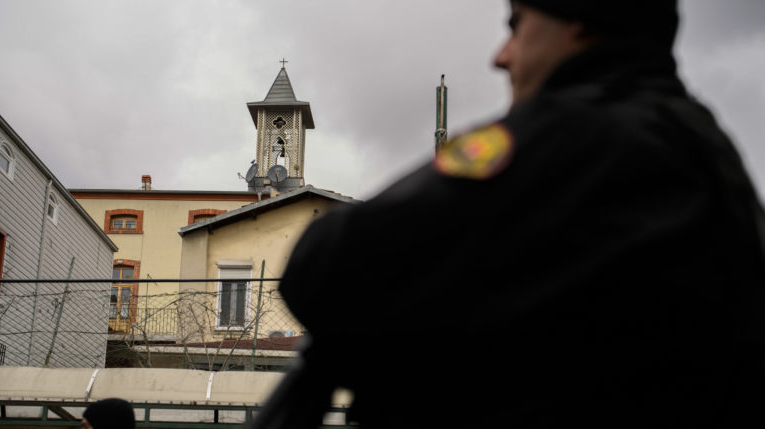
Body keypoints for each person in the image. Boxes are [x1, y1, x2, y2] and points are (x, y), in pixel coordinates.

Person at [262, 0, 765, 427]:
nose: (501, 57)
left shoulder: (571, 130)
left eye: (516, 23)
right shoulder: (710, 152)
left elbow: (325, 266)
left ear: (579, 20)